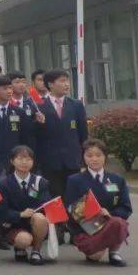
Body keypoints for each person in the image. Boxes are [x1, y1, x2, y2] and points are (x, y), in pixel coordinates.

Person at [64, 138, 131, 267]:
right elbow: (69, 207)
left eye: (98, 155)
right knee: (95, 256)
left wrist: (109, 213)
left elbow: (125, 207)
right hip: (86, 229)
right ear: (83, 157)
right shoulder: (74, 180)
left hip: (110, 223)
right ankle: (98, 247)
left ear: (105, 157)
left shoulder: (117, 180)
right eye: (89, 155)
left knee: (117, 222)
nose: (94, 159)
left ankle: (114, 252)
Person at [35, 69, 87, 197]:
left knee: (74, 198)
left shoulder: (76, 105)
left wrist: (84, 160)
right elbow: (34, 136)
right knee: (55, 198)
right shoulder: (38, 107)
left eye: (67, 81)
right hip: (49, 163)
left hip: (72, 161)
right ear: (51, 84)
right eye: (62, 81)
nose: (67, 84)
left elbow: (83, 134)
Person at [0, 145, 51, 265]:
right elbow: (2, 211)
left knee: (40, 218)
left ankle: (36, 252)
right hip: (13, 224)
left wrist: (34, 212)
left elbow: (45, 204)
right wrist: (20, 214)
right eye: (20, 159)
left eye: (28, 159)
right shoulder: (3, 184)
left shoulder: (41, 182)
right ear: (12, 161)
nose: (24, 162)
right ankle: (20, 247)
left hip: (34, 222)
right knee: (24, 240)